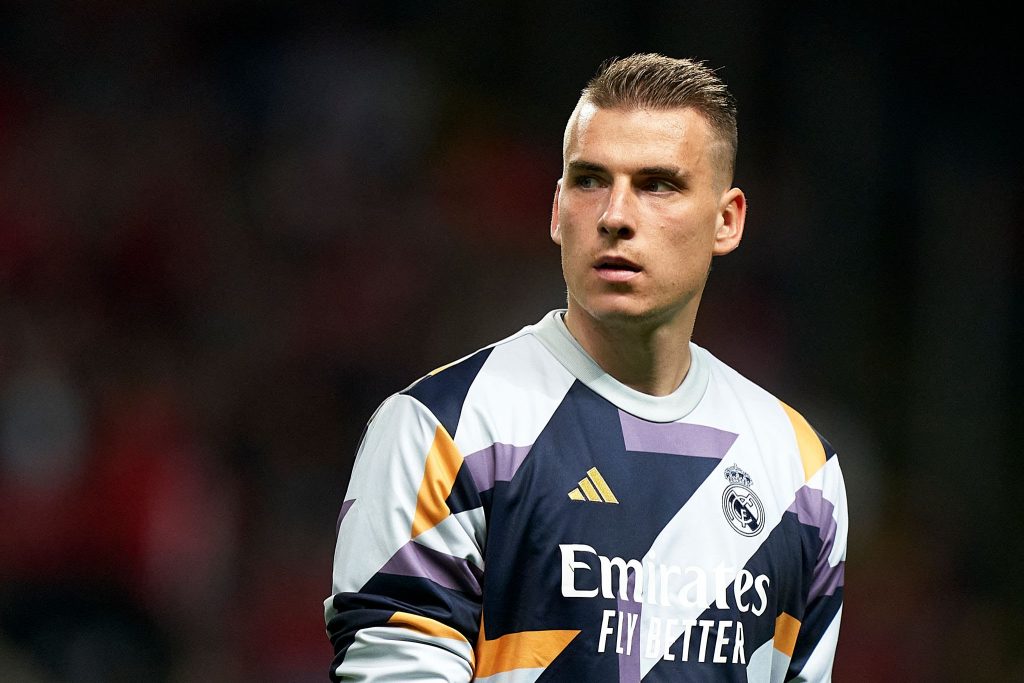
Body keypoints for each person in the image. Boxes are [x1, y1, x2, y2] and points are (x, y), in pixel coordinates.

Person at [324, 53, 848, 682]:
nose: (615, 216)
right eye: (590, 180)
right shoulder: (442, 429)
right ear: (556, 209)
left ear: (726, 220)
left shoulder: (801, 473)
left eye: (658, 185)